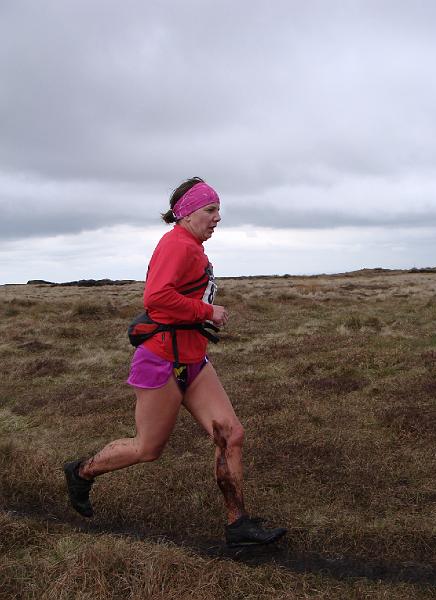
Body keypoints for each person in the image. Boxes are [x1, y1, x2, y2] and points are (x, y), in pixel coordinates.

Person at [64, 177, 286, 546]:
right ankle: (82, 473)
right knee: (148, 449)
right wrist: (207, 311)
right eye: (210, 210)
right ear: (186, 213)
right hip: (161, 361)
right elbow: (156, 299)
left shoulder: (194, 247)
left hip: (193, 359)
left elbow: (173, 301)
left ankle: (239, 527)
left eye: (219, 210)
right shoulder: (177, 245)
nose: (217, 218)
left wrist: (199, 319)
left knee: (231, 434)